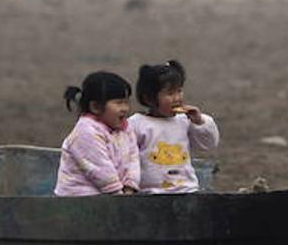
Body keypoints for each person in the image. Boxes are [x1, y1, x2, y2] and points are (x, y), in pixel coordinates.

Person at [129, 60, 220, 193]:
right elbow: (125, 155)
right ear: (149, 98)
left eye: (179, 91)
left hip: (187, 189)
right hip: (150, 192)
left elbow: (208, 144)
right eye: (170, 93)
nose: (177, 98)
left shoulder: (184, 121)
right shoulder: (136, 124)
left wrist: (200, 122)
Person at [53, 71, 140, 196]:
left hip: (113, 196)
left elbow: (132, 158)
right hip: (80, 199)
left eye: (126, 102)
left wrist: (130, 186)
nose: (125, 108)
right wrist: (120, 197)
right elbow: (100, 170)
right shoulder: (86, 132)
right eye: (119, 103)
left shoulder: (125, 129)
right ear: (95, 107)